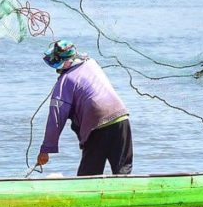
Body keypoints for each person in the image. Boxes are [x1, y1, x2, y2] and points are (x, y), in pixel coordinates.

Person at [36, 40, 133, 176]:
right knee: (123, 172)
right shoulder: (92, 64)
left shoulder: (65, 81)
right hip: (121, 117)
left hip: (97, 126)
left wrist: (45, 150)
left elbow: (56, 118)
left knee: (88, 176)